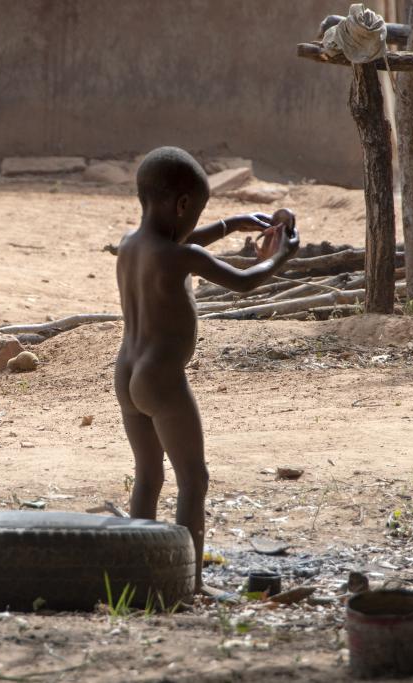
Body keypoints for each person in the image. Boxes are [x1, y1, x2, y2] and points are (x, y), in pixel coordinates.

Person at [114, 146, 299, 592]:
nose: (197, 223)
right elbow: (245, 281)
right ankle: (188, 584)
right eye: (196, 213)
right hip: (162, 380)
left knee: (149, 477)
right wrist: (281, 256)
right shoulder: (182, 257)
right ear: (181, 205)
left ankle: (142, 576)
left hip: (126, 373)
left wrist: (232, 224)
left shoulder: (131, 246)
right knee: (193, 480)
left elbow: (185, 239)